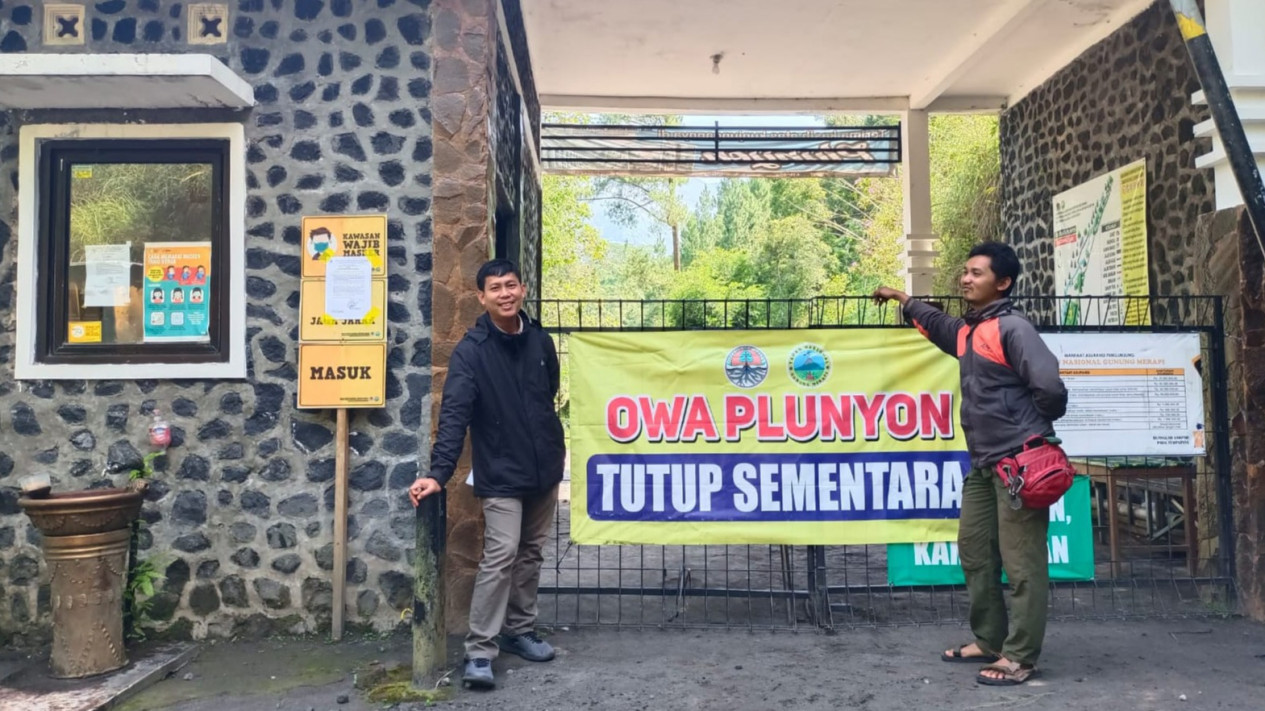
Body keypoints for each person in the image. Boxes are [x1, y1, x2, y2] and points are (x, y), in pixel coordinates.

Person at [872, 241, 1067, 687]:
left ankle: (1020, 656)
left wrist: (1030, 428)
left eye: (976, 273)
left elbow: (1050, 388)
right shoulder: (969, 331)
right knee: (975, 552)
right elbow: (939, 324)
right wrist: (902, 298)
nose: (965, 278)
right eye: (965, 271)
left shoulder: (1012, 328)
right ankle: (990, 640)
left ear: (1003, 282)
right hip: (984, 466)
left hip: (1018, 466)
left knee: (1022, 565)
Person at [409, 259, 565, 691]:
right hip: (500, 470)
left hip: (544, 466)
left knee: (531, 552)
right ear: (481, 297)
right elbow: (455, 415)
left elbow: (548, 392)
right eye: (495, 288)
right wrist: (438, 474)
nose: (504, 294)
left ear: (523, 289)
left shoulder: (540, 341)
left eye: (510, 285)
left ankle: (520, 629)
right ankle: (480, 651)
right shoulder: (471, 351)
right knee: (501, 554)